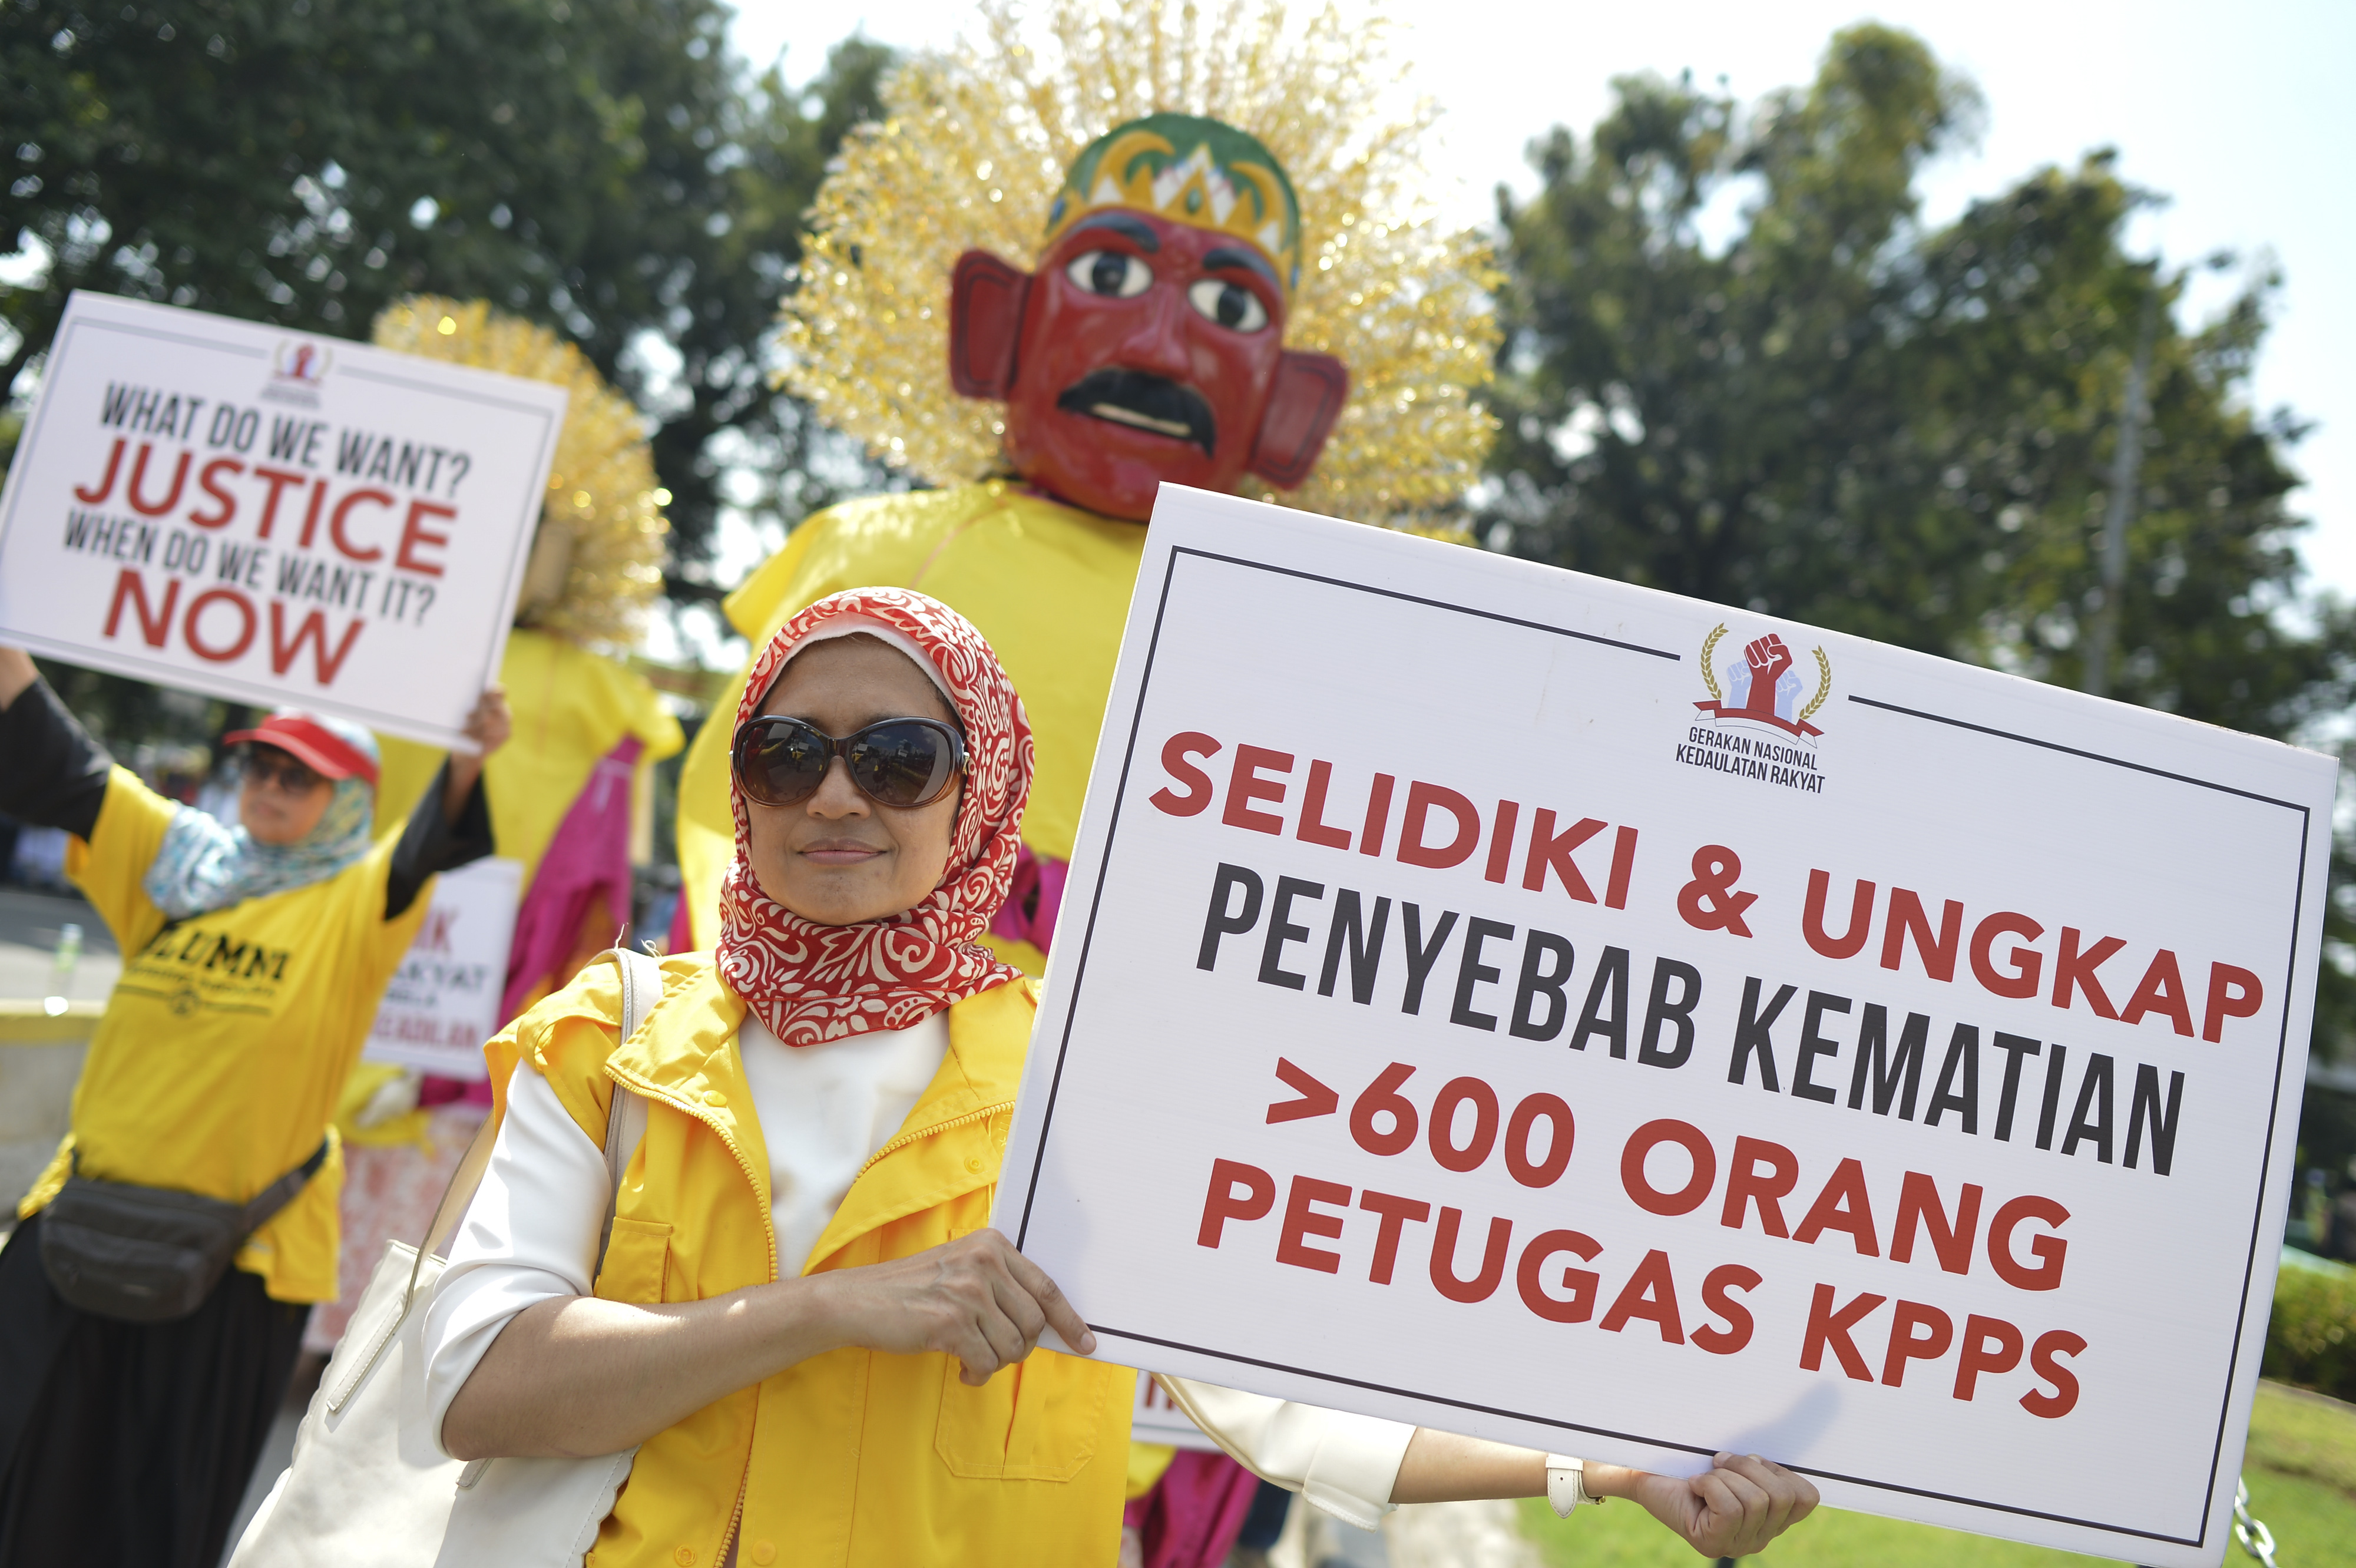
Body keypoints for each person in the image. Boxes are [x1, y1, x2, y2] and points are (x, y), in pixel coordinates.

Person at [425, 589, 1816, 1566]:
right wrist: (827, 1309)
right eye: (786, 756)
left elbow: (1294, 1409)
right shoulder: (605, 1035)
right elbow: (480, 1382)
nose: (834, 798)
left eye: (898, 759)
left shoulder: (1093, 1072)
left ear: (981, 796)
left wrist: (1618, 1464)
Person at [0, 645, 509, 1567]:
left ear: (349, 801)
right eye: (260, 766)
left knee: (149, 1515)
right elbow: (62, 760)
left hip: (235, 1260)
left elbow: (434, 835)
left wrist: (468, 756)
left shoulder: (356, 899)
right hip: (75, 1225)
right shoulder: (174, 865)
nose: (269, 787)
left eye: (299, 777)